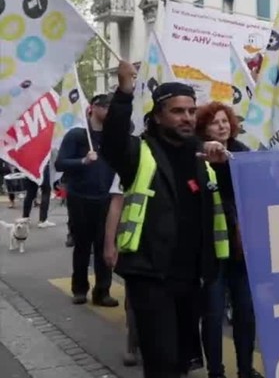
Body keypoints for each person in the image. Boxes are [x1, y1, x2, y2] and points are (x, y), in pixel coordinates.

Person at [101, 60, 232, 378]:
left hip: (193, 277)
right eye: (177, 111)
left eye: (190, 110)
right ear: (158, 116)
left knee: (183, 360)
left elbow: (226, 200)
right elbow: (113, 141)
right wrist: (124, 91)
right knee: (161, 360)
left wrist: (225, 166)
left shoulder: (203, 154)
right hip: (151, 275)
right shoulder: (139, 152)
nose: (187, 117)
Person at [195, 103, 262, 378]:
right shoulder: (197, 155)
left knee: (245, 312)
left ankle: (246, 369)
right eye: (214, 122)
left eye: (225, 121)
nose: (221, 126)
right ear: (204, 128)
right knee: (212, 313)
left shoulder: (242, 152)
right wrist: (215, 164)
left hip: (241, 248)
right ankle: (216, 372)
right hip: (210, 249)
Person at [54, 94, 118, 307]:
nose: (109, 111)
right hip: (80, 197)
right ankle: (80, 288)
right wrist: (83, 161)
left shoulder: (112, 137)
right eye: (106, 106)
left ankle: (103, 291)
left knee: (105, 245)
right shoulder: (77, 136)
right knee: (82, 245)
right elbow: (60, 163)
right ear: (93, 108)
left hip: (106, 197)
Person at [104, 174, 141, 367]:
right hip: (138, 243)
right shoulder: (133, 158)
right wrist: (110, 244)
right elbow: (117, 204)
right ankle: (132, 345)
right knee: (135, 297)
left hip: (173, 243)